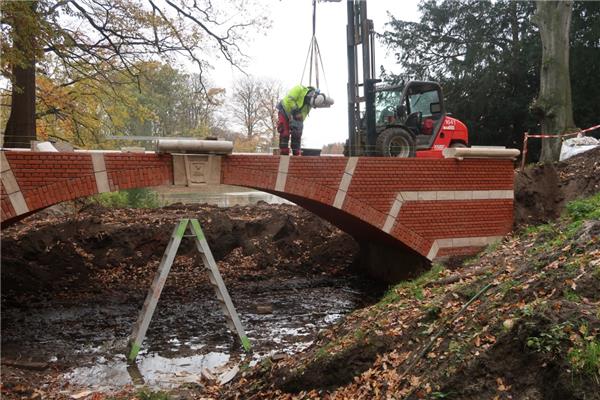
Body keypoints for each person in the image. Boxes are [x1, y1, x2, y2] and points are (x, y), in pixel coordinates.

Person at [276, 84, 316, 156]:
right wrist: (296, 111)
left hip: (295, 116)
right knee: (284, 133)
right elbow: (289, 99)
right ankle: (284, 154)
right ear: (310, 95)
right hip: (284, 110)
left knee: (297, 133)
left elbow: (303, 116)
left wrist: (298, 126)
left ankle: (296, 153)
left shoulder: (309, 105)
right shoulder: (299, 88)